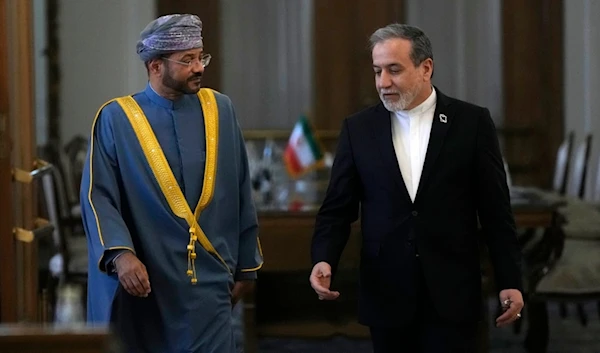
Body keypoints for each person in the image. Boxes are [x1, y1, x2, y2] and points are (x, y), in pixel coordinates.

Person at [309, 23, 524, 352]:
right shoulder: (359, 129)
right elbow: (337, 208)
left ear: (426, 68)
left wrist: (509, 279)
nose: (383, 82)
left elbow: (496, 212)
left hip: (454, 293)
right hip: (387, 293)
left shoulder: (472, 123)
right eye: (377, 71)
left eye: (394, 70)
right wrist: (324, 259)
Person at [80, 14, 263, 353]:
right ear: (155, 66)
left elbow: (240, 189)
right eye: (187, 60)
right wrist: (122, 256)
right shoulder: (116, 118)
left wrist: (246, 266)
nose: (199, 68)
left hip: (211, 274)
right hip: (148, 278)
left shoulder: (220, 109)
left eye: (201, 57)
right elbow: (99, 197)